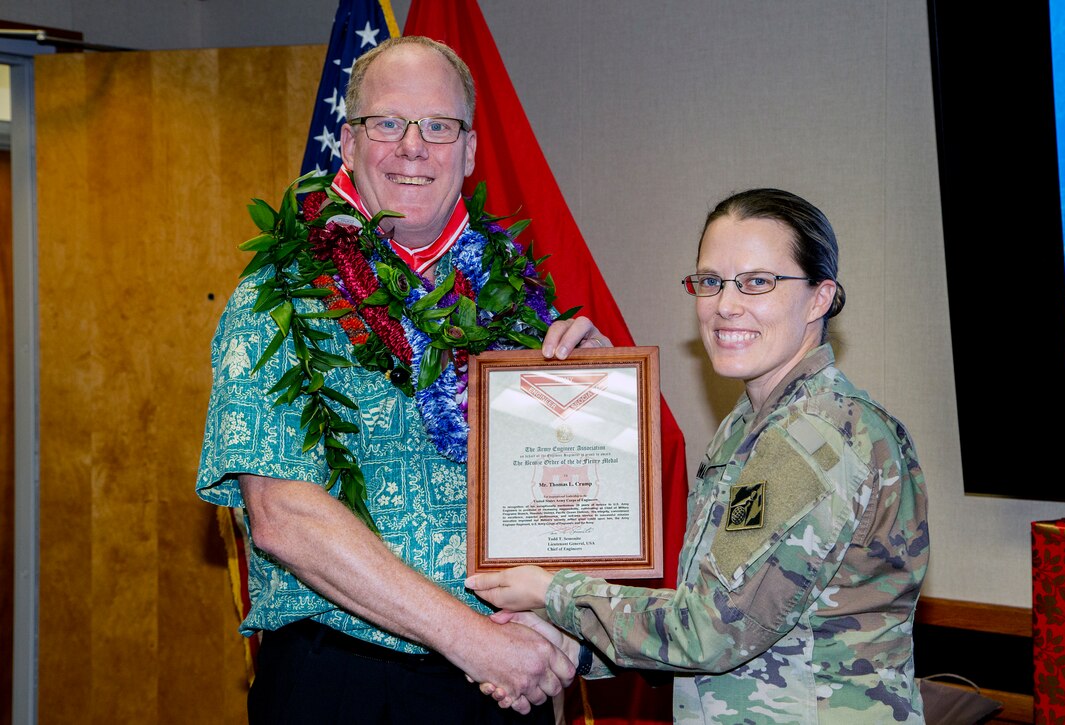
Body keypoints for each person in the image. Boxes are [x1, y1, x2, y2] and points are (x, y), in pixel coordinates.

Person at [196, 36, 609, 724]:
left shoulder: (516, 299)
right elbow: (283, 518)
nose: (413, 146)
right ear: (349, 143)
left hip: (502, 683)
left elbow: (562, 502)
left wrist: (593, 397)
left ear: (469, 151)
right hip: (346, 685)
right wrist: (474, 641)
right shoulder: (278, 294)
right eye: (387, 122)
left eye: (438, 126)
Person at [467, 188, 930, 723]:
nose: (725, 305)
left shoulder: (816, 434)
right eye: (711, 282)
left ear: (820, 297)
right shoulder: (749, 425)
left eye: (758, 282)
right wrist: (606, 397)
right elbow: (723, 620)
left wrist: (552, 592)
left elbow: (712, 629)